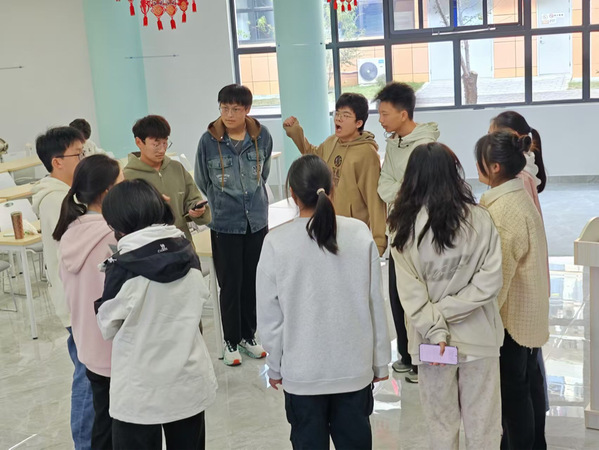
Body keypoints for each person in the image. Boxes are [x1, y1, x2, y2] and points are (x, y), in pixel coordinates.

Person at [257, 154, 390, 449]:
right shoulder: (359, 233)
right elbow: (374, 303)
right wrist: (380, 362)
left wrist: (275, 366)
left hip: (302, 375)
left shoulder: (276, 242)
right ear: (332, 189)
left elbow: (270, 317)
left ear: (292, 194)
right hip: (354, 371)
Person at [389, 143, 504, 449]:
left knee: (440, 427)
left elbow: (410, 296)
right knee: (484, 427)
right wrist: (449, 310)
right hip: (479, 338)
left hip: (431, 344)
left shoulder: (402, 230)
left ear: (412, 178)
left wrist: (437, 322)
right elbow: (489, 282)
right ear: (453, 175)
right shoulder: (480, 219)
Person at [95, 179, 217, 450]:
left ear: (117, 222)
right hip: (187, 378)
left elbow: (107, 325)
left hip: (141, 387)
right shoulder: (187, 252)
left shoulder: (123, 267)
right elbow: (199, 297)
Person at [476, 131, 549, 450]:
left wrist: (483, 319)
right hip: (527, 315)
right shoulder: (516, 197)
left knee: (514, 395)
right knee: (526, 386)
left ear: (494, 167)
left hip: (511, 321)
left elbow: (499, 278)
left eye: (479, 160)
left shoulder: (504, 210)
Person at [195, 84, 272, 366]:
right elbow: (202, 179)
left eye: (235, 109)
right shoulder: (208, 141)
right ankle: (230, 340)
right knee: (230, 284)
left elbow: (263, 174)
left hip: (256, 221)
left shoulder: (261, 136)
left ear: (247, 110)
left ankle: (248, 336)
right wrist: (222, 200)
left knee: (252, 281)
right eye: (224, 108)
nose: (228, 114)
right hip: (225, 222)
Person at [53, 154, 123, 450]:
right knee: (121, 427)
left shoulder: (70, 232)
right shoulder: (112, 236)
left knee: (102, 423)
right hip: (114, 347)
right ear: (107, 192)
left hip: (88, 344)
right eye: (121, 184)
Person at [32, 126, 93, 449]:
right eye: (78, 154)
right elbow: (75, 253)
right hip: (77, 302)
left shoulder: (68, 194)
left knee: (92, 374)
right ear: (57, 162)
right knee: (87, 375)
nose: (84, 160)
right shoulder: (56, 200)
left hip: (82, 298)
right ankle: (84, 443)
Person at [375, 82, 440, 383]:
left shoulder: (425, 146)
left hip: (421, 234)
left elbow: (420, 192)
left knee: (419, 298)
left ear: (403, 114)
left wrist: (401, 192)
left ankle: (422, 361)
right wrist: (403, 191)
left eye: (385, 114)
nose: (381, 120)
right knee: (397, 296)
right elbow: (384, 184)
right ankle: (405, 355)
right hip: (397, 231)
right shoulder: (393, 143)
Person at [489, 110, 551, 412]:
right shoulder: (523, 175)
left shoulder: (517, 185)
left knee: (520, 381)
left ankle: (529, 433)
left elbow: (509, 258)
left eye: (492, 136)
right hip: (527, 287)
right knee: (527, 371)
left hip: (519, 296)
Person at [282, 93, 387, 255]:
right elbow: (313, 155)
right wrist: (295, 132)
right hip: (325, 223)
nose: (338, 118)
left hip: (352, 231)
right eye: (337, 113)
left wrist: (378, 243)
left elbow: (375, 199)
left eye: (346, 115)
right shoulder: (332, 141)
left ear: (359, 123)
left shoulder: (367, 153)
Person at [124, 114, 210, 244]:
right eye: (156, 144)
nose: (162, 150)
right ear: (139, 142)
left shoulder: (177, 168)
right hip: (148, 245)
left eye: (165, 143)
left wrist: (197, 210)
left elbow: (192, 199)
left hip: (181, 243)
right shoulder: (127, 176)